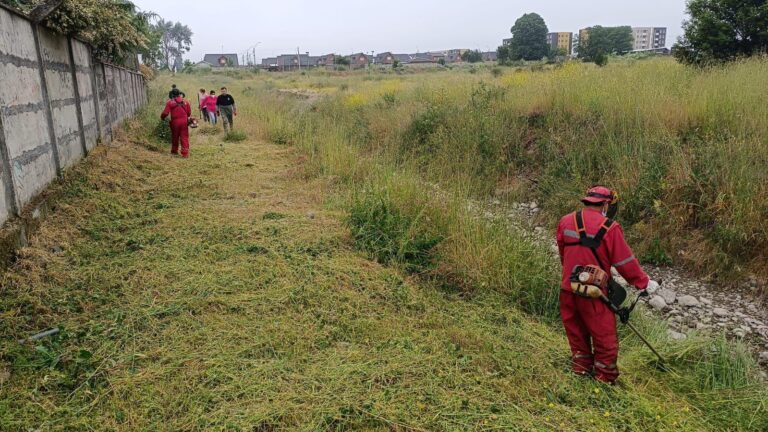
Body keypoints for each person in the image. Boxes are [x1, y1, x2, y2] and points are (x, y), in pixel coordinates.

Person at [556, 186, 659, 384]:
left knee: (576, 334)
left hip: (568, 289)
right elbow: (624, 262)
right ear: (605, 204)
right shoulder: (610, 228)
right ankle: (604, 380)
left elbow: (563, 254)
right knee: (605, 341)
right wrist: (644, 283)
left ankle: (581, 371)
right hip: (594, 294)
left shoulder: (565, 221)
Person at [160, 88, 192, 158]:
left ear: (172, 94)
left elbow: (165, 113)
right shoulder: (186, 102)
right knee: (184, 137)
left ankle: (174, 151)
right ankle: (185, 153)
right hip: (184, 122)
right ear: (179, 94)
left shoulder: (170, 102)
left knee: (175, 137)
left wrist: (162, 117)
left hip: (175, 122)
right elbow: (189, 113)